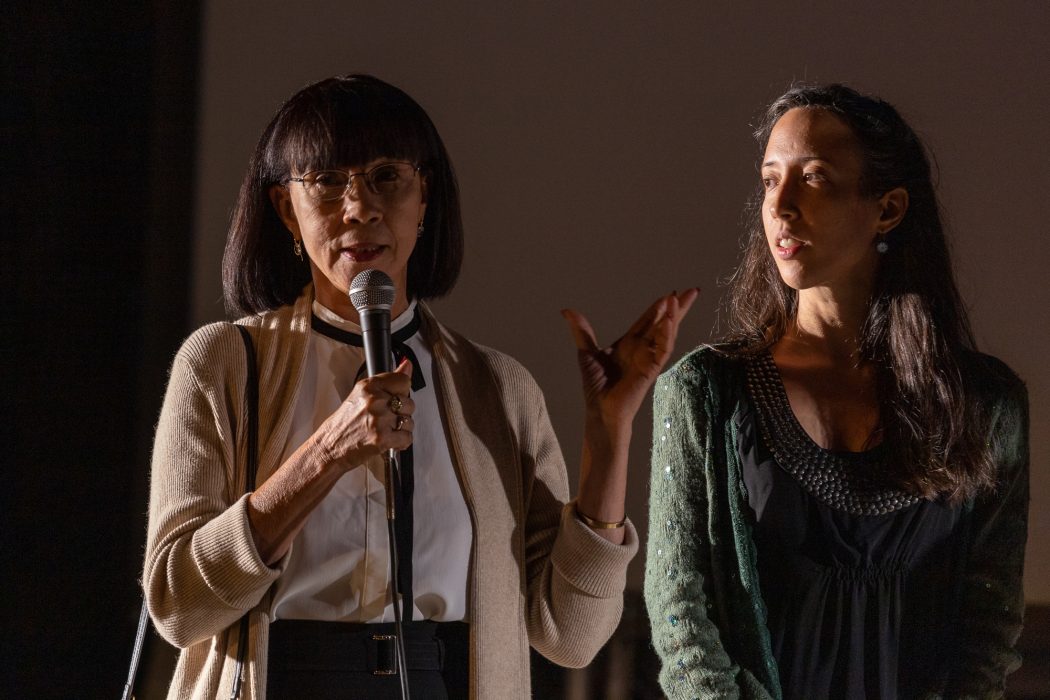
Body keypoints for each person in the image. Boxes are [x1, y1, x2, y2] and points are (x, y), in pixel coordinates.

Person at [143, 74, 697, 699]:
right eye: (327, 182)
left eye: (387, 176)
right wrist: (326, 453)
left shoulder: (498, 388)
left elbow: (570, 634)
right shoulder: (224, 362)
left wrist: (609, 433)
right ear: (284, 211)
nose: (360, 207)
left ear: (424, 196)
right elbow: (176, 605)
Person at [645, 84, 1029, 699]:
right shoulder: (706, 392)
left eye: (815, 177)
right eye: (770, 179)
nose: (781, 206)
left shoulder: (987, 405)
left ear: (889, 209)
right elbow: (682, 617)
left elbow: (989, 622)